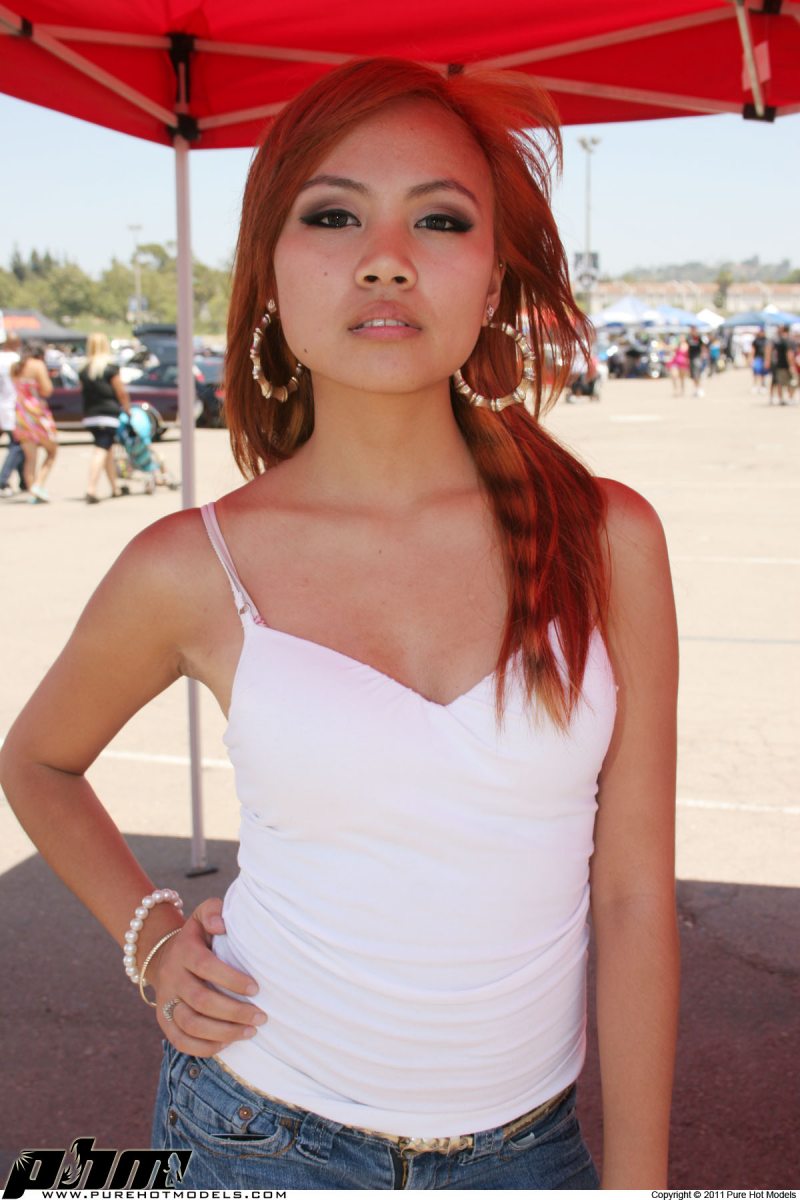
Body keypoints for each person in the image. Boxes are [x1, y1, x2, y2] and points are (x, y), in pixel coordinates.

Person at [0, 59, 679, 1190]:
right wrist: (152, 937)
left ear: (494, 281)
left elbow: (633, 895)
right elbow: (36, 761)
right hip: (253, 1139)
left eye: (439, 219)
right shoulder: (191, 565)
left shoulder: (609, 540)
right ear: (268, 272)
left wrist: (640, 1183)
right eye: (332, 215)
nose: (385, 257)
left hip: (530, 1156)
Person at [79, 332, 132, 503]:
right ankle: (91, 488)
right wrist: (128, 409)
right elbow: (121, 392)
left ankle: (115, 488)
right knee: (101, 449)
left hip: (90, 415)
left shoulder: (84, 370)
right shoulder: (110, 368)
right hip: (108, 414)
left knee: (107, 449)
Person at [12, 341, 58, 503]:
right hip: (36, 413)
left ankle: (33, 491)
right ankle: (38, 484)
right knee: (52, 451)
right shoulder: (37, 365)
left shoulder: (16, 367)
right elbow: (47, 389)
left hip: (20, 414)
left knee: (30, 457)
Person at [0, 332, 25, 496]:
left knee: (20, 444)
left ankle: (25, 481)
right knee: (17, 444)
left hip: (3, 405)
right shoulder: (16, 360)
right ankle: (3, 480)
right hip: (13, 406)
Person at [767, 324, 795, 406]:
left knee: (780, 382)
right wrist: (792, 365)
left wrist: (768, 361)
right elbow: (790, 354)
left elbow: (769, 349)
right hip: (784, 364)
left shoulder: (778, 340)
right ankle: (789, 398)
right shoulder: (789, 340)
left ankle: (781, 398)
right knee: (790, 382)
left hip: (778, 364)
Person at [686, 325, 707, 397]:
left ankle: (700, 389)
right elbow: (687, 347)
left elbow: (703, 346)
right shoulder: (689, 338)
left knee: (697, 374)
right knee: (693, 375)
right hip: (691, 358)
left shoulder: (699, 337)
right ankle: (696, 389)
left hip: (697, 358)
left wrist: (703, 355)